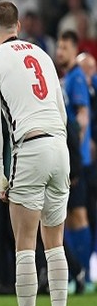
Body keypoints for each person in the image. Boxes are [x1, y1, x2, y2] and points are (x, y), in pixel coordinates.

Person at [0, 0, 70, 306]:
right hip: (59, 148)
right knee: (55, 243)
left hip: (29, 148)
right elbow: (60, 112)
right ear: (18, 25)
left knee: (24, 246)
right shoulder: (43, 55)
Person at [56, 32, 94, 288]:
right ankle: (77, 274)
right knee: (69, 217)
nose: (60, 51)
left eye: (65, 47)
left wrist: (75, 152)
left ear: (74, 49)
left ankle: (84, 274)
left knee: (79, 215)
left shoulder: (77, 77)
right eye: (58, 46)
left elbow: (82, 115)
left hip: (76, 158)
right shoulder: (66, 78)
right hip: (69, 156)